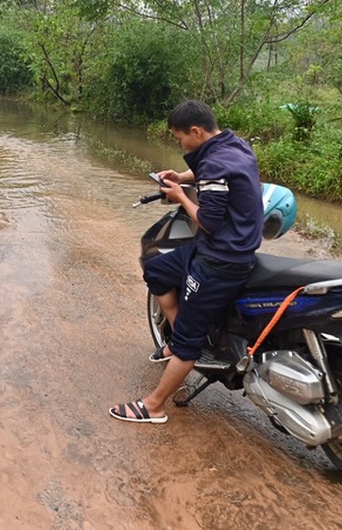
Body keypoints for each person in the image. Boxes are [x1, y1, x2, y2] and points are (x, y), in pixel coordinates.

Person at [109, 99, 264, 425]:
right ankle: (176, 339)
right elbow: (211, 171)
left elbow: (209, 221)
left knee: (188, 343)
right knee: (156, 270)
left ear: (196, 131)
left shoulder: (215, 165)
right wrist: (181, 175)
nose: (179, 143)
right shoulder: (235, 146)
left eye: (180, 138)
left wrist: (180, 196)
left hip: (220, 259)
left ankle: (153, 406)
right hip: (213, 248)